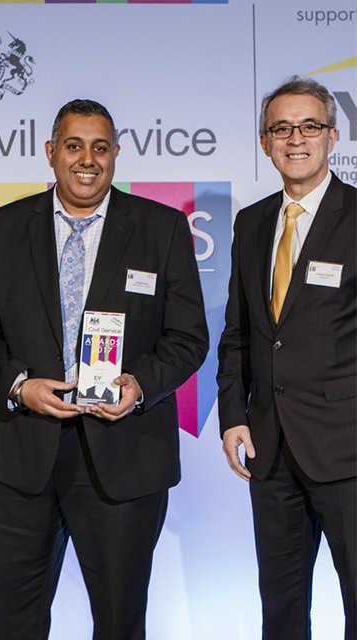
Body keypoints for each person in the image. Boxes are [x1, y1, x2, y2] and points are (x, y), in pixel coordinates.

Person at [0, 98, 208, 639]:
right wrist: (18, 386)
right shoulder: (2, 229)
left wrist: (140, 385)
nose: (87, 159)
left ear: (116, 155)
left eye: (100, 148)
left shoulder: (162, 228)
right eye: (74, 146)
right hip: (17, 459)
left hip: (123, 459)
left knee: (120, 623)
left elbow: (188, 338)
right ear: (52, 153)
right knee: (10, 625)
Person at [217, 76, 355, 640]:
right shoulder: (251, 223)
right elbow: (239, 332)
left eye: (309, 126)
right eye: (281, 128)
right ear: (264, 141)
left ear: (332, 135)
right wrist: (232, 415)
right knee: (281, 609)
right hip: (270, 455)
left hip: (348, 454)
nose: (295, 138)